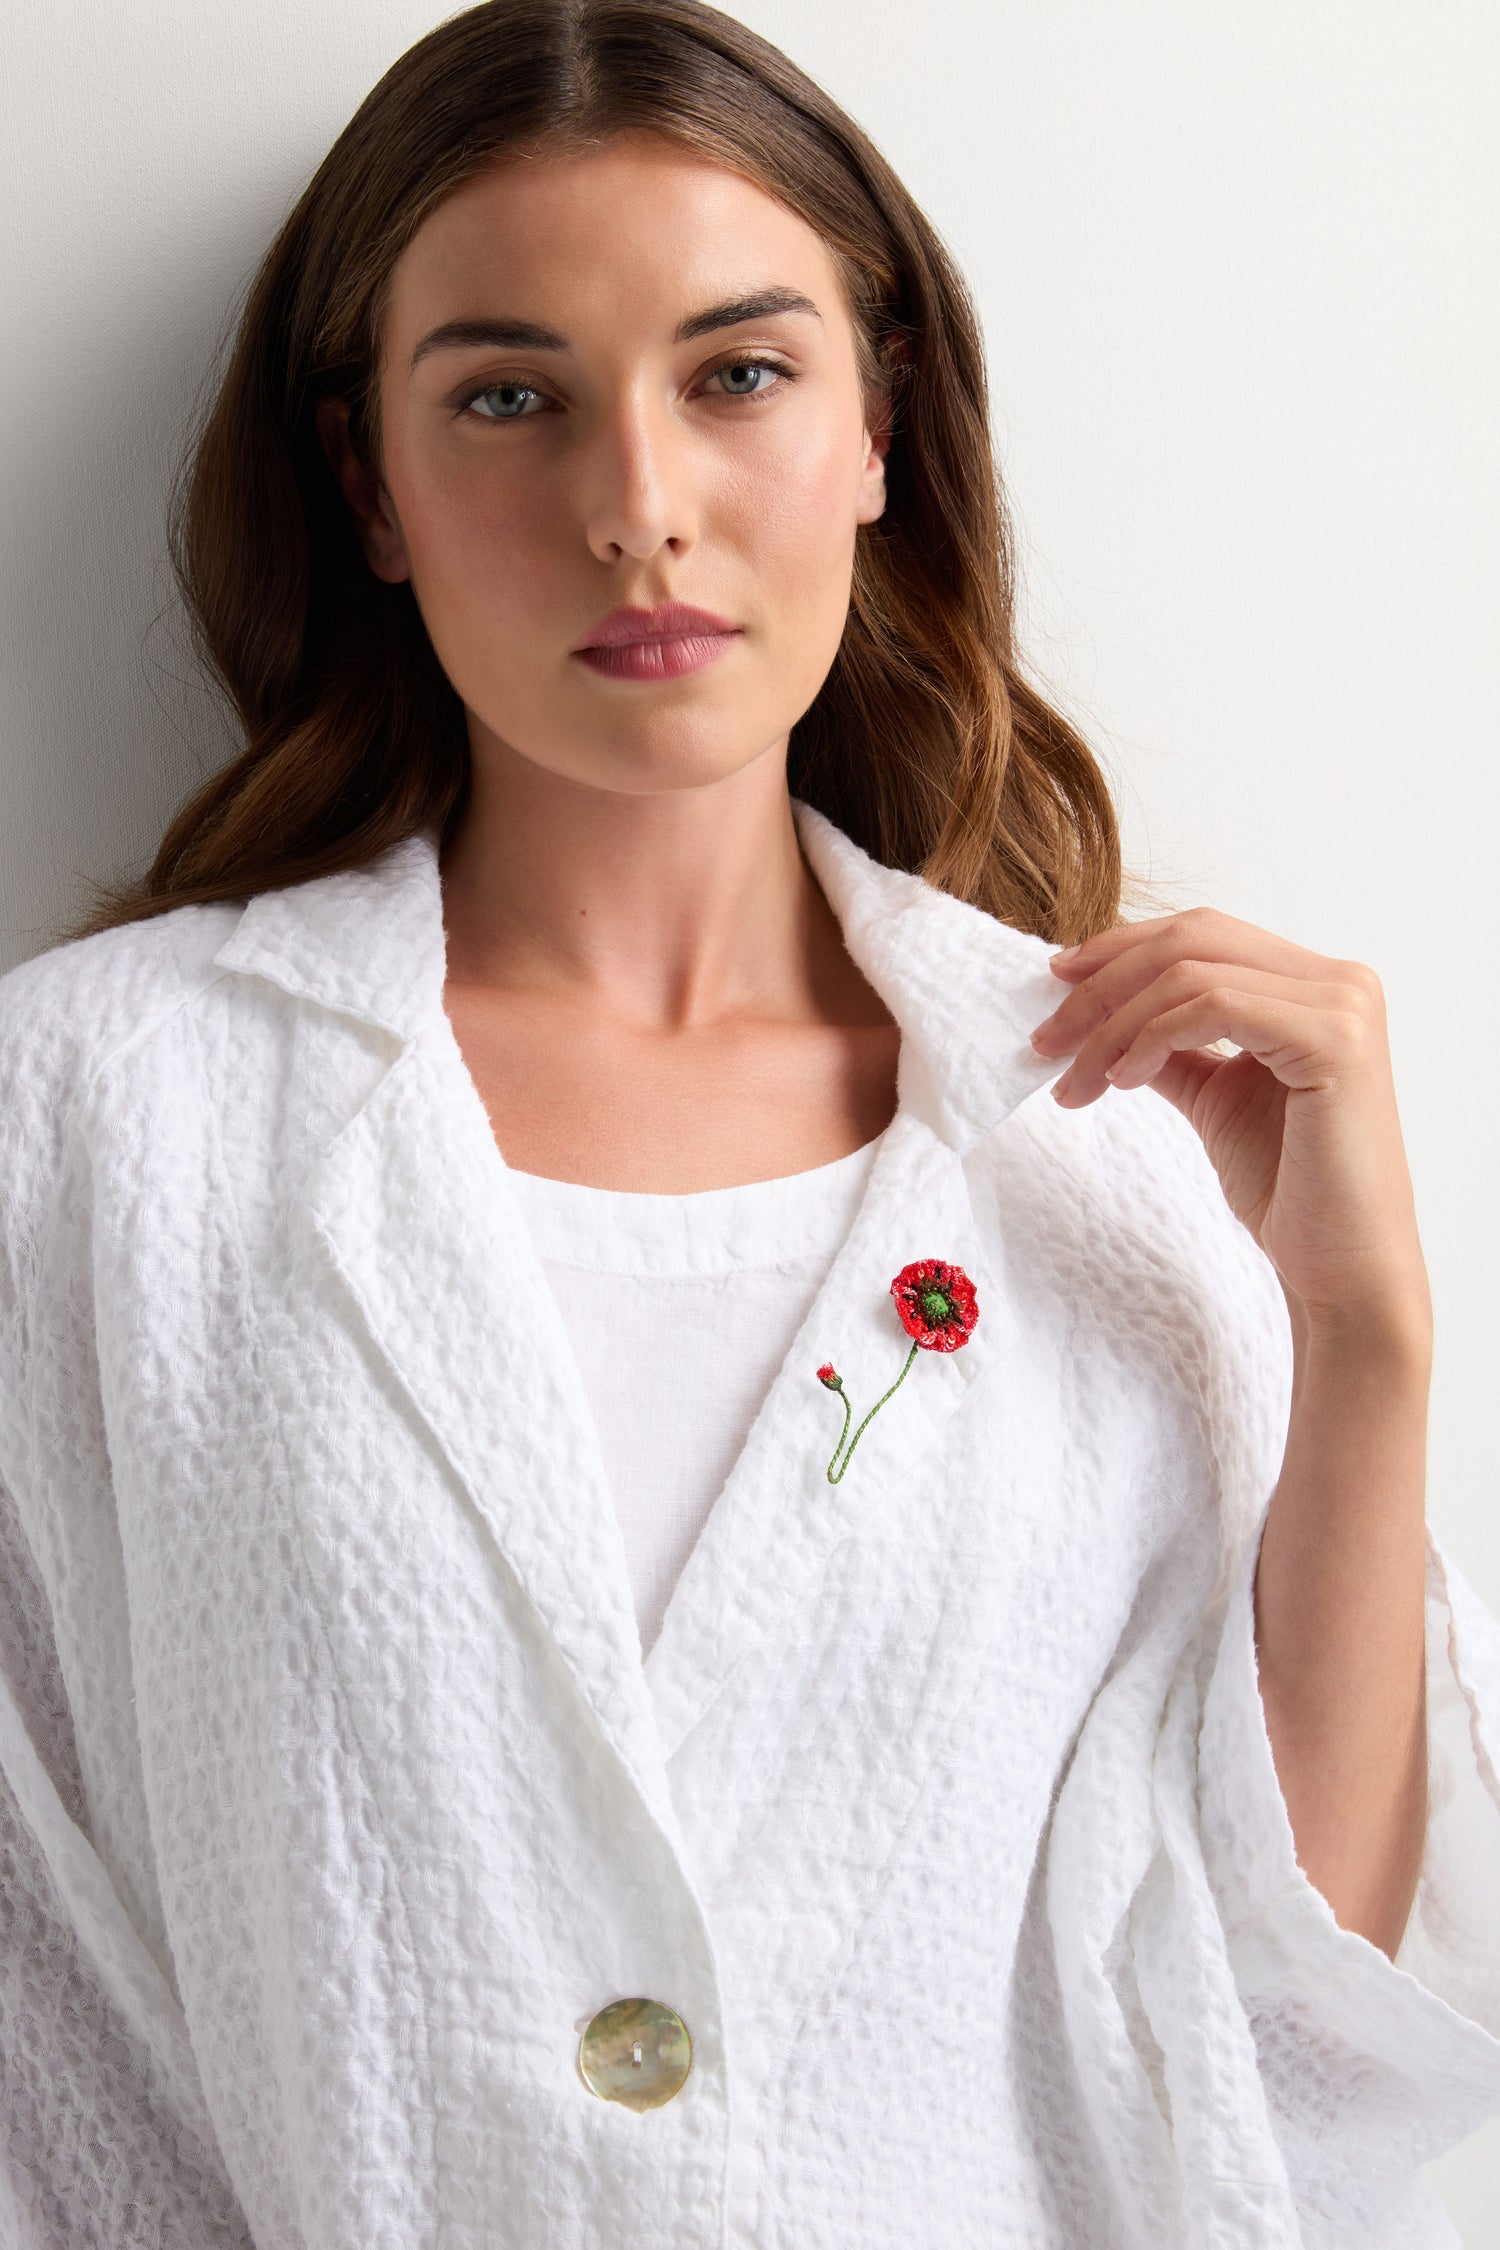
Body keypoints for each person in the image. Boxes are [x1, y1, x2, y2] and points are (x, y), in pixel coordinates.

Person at [1, 1, 1496, 2242]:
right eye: (507, 396)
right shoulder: (99, 1119)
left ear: (879, 427)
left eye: (738, 374)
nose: (638, 507)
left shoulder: (1114, 1141)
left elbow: (1299, 2036)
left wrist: (1360, 1336)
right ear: (368, 486)